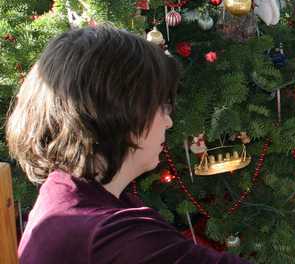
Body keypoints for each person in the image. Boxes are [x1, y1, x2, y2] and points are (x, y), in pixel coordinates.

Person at [5, 26, 251, 264]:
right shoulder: (112, 238)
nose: (168, 121)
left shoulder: (69, 193)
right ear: (120, 111)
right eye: (161, 105)